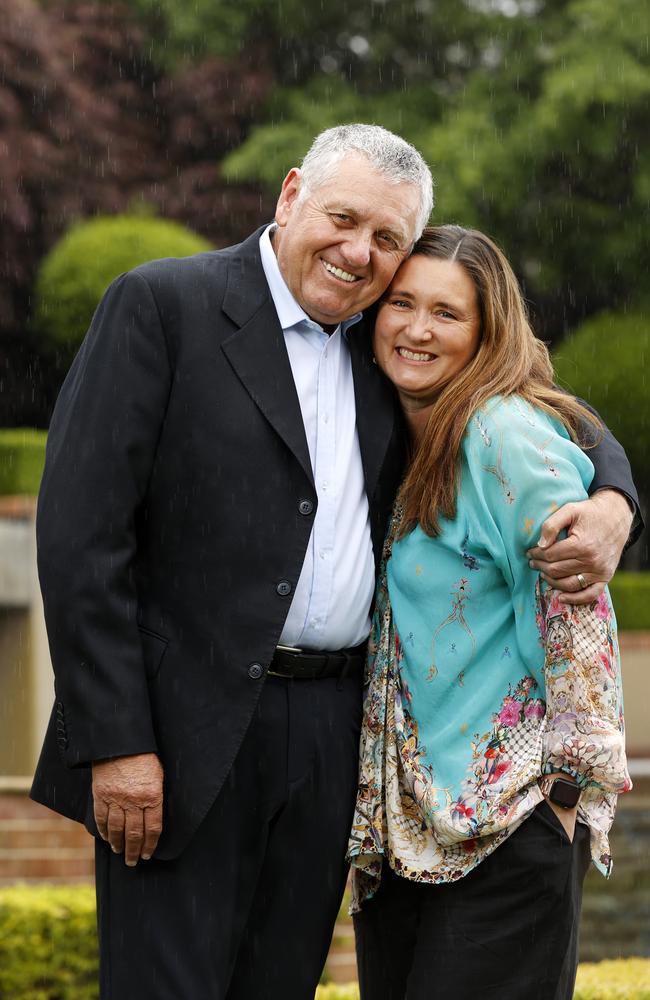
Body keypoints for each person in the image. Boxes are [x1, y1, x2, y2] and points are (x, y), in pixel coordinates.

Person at [30, 126, 638, 1000]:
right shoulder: (165, 305)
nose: (359, 252)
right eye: (343, 218)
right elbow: (81, 537)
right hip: (181, 734)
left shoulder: (384, 339)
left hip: (333, 737)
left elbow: (540, 407)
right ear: (290, 196)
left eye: (386, 239)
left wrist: (615, 500)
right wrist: (117, 740)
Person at [348, 225, 634, 1000]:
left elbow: (578, 613)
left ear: (486, 333)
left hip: (511, 823)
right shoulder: (397, 429)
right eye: (401, 303)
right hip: (411, 829)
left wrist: (567, 798)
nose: (416, 328)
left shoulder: (503, 434)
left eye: (446, 313)